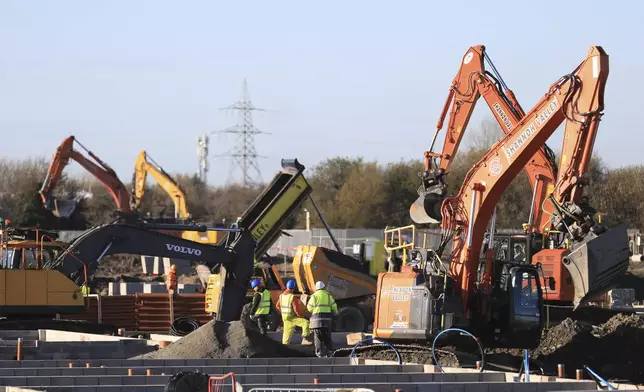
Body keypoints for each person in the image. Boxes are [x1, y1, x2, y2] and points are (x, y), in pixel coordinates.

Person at [306, 281, 338, 358]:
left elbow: (309, 308)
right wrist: (336, 314)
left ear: (316, 288)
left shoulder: (313, 296)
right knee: (327, 336)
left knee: (318, 338)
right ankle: (329, 352)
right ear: (324, 287)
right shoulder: (328, 296)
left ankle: (319, 353)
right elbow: (334, 307)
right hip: (327, 320)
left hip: (316, 321)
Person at [276, 279, 312, 345]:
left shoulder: (281, 296)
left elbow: (277, 306)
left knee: (286, 339)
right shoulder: (292, 297)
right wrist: (302, 317)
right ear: (293, 288)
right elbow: (296, 310)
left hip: (285, 319)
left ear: (287, 287)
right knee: (306, 323)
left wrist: (283, 312)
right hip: (292, 318)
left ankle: (284, 349)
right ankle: (305, 340)